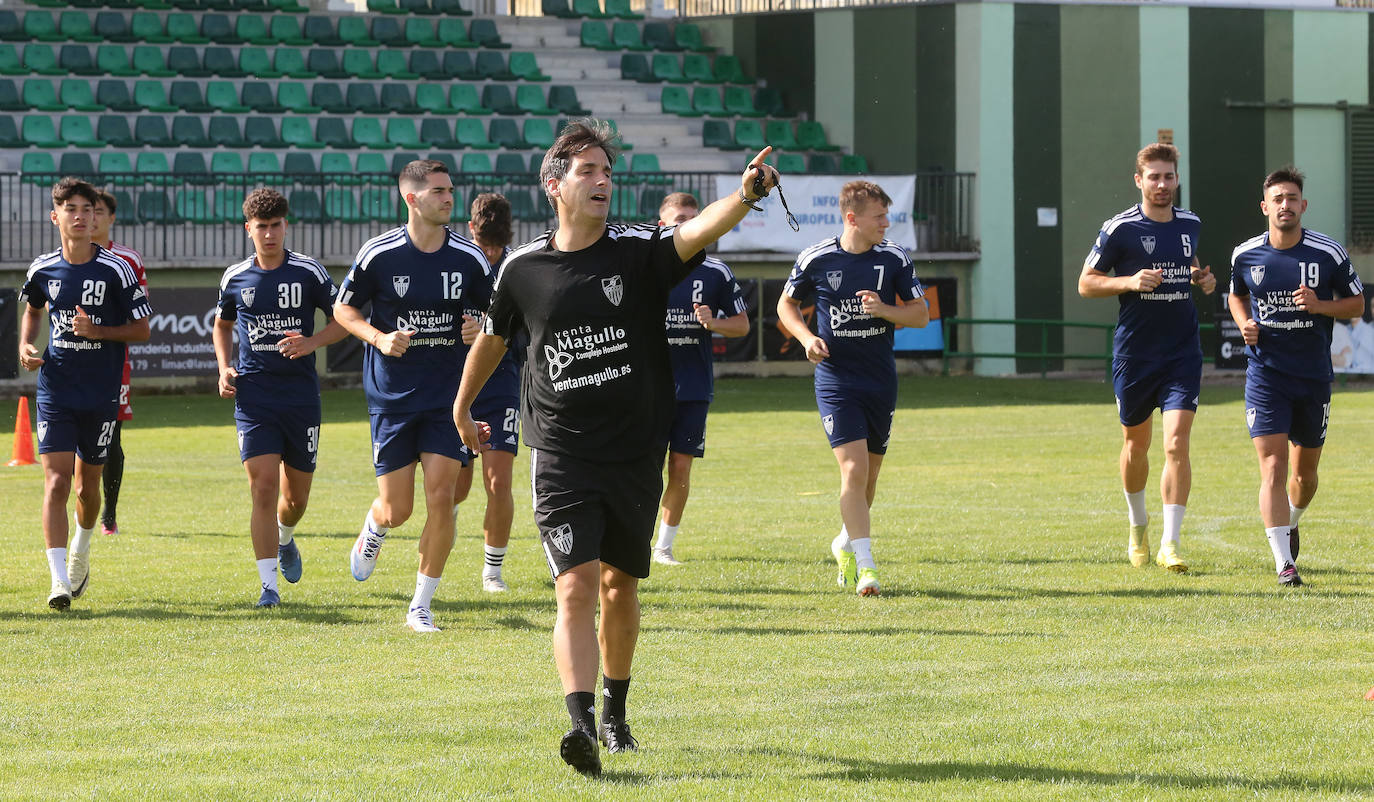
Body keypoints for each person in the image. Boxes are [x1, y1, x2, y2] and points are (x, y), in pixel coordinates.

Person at [453, 119, 779, 777]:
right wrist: (461, 406)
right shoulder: (522, 267)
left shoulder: (638, 250)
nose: (603, 181)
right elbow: (492, 337)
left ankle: (615, 711)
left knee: (618, 586)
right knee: (573, 587)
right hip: (560, 450)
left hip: (634, 450)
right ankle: (579, 727)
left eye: (607, 172)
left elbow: (698, 231)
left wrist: (745, 196)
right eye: (588, 172)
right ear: (555, 186)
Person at [334, 159, 493, 632]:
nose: (449, 198)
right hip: (392, 398)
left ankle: (420, 605)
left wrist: (478, 327)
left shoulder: (470, 258)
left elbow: (496, 317)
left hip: (448, 399)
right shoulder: (379, 254)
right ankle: (376, 525)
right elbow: (343, 309)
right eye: (439, 191)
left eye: (450, 190)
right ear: (412, 198)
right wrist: (378, 337)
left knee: (441, 497)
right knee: (398, 508)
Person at [776, 180, 930, 598]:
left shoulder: (894, 258)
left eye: (887, 216)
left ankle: (844, 541)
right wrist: (807, 339)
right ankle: (866, 567)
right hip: (836, 379)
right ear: (852, 218)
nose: (886, 223)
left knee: (870, 476)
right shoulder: (818, 258)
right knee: (853, 469)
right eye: (879, 217)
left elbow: (921, 315)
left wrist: (885, 310)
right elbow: (785, 304)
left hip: (880, 379)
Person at [1076, 143, 1216, 573]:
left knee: (1177, 443)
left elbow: (1190, 262)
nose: (1161, 184)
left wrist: (1203, 278)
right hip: (1136, 354)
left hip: (1182, 353)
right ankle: (1138, 527)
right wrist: (1130, 281)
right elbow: (1086, 283)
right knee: (1136, 445)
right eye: (1153, 177)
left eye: (1168, 176)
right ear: (1139, 181)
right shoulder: (1119, 229)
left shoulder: (1190, 223)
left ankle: (1171, 545)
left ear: (1177, 179)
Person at [19, 178, 152, 609]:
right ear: (55, 216)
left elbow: (142, 329)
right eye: (70, 208)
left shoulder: (116, 269)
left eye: (87, 209)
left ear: (97, 216)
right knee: (56, 482)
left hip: (99, 394)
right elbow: (33, 310)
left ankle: (82, 546)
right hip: (56, 390)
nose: (80, 216)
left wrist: (98, 331)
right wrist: (26, 343)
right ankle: (58, 581)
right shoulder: (42, 268)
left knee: (86, 487)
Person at [1227, 166, 1364, 587]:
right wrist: (1245, 322)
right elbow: (1236, 293)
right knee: (1272, 465)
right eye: (1277, 199)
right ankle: (1285, 563)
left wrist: (1321, 305)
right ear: (1265, 207)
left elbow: (1357, 305)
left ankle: (1293, 520)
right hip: (1266, 376)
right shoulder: (1245, 254)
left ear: (1303, 205)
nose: (1285, 206)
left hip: (1313, 378)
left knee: (1303, 478)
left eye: (1292, 199)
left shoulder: (1329, 254)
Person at [213, 188, 347, 608]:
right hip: (254, 398)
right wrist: (223, 367)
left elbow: (345, 319)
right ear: (248, 228)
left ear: (285, 226)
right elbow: (222, 325)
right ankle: (268, 587)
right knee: (263, 488)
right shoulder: (235, 277)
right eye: (261, 227)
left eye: (275, 226)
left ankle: (286, 537)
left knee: (295, 499)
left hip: (301, 398)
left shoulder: (309, 272)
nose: (269, 234)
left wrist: (311, 343)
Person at [651, 192, 750, 566]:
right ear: (662, 225)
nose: (688, 224)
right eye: (680, 218)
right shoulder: (647, 268)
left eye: (694, 217)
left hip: (692, 387)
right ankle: (633, 539)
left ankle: (663, 546)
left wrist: (714, 323)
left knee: (680, 467)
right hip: (647, 388)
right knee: (644, 468)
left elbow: (741, 325)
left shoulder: (716, 272)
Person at [451, 193, 521, 593]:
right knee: (460, 485)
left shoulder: (518, 266)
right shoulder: (458, 263)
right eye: (485, 243)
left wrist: (495, 336)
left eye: (497, 245)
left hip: (501, 385)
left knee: (498, 483)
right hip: (460, 386)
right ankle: (451, 517)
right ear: (471, 228)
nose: (491, 252)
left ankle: (492, 571)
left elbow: (530, 327)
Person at [90, 189, 148, 538]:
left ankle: (108, 514)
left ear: (111, 218)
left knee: (110, 438)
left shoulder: (128, 260)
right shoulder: (62, 259)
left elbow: (138, 315)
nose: (91, 217)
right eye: (86, 210)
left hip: (112, 363)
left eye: (98, 211)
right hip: (69, 364)